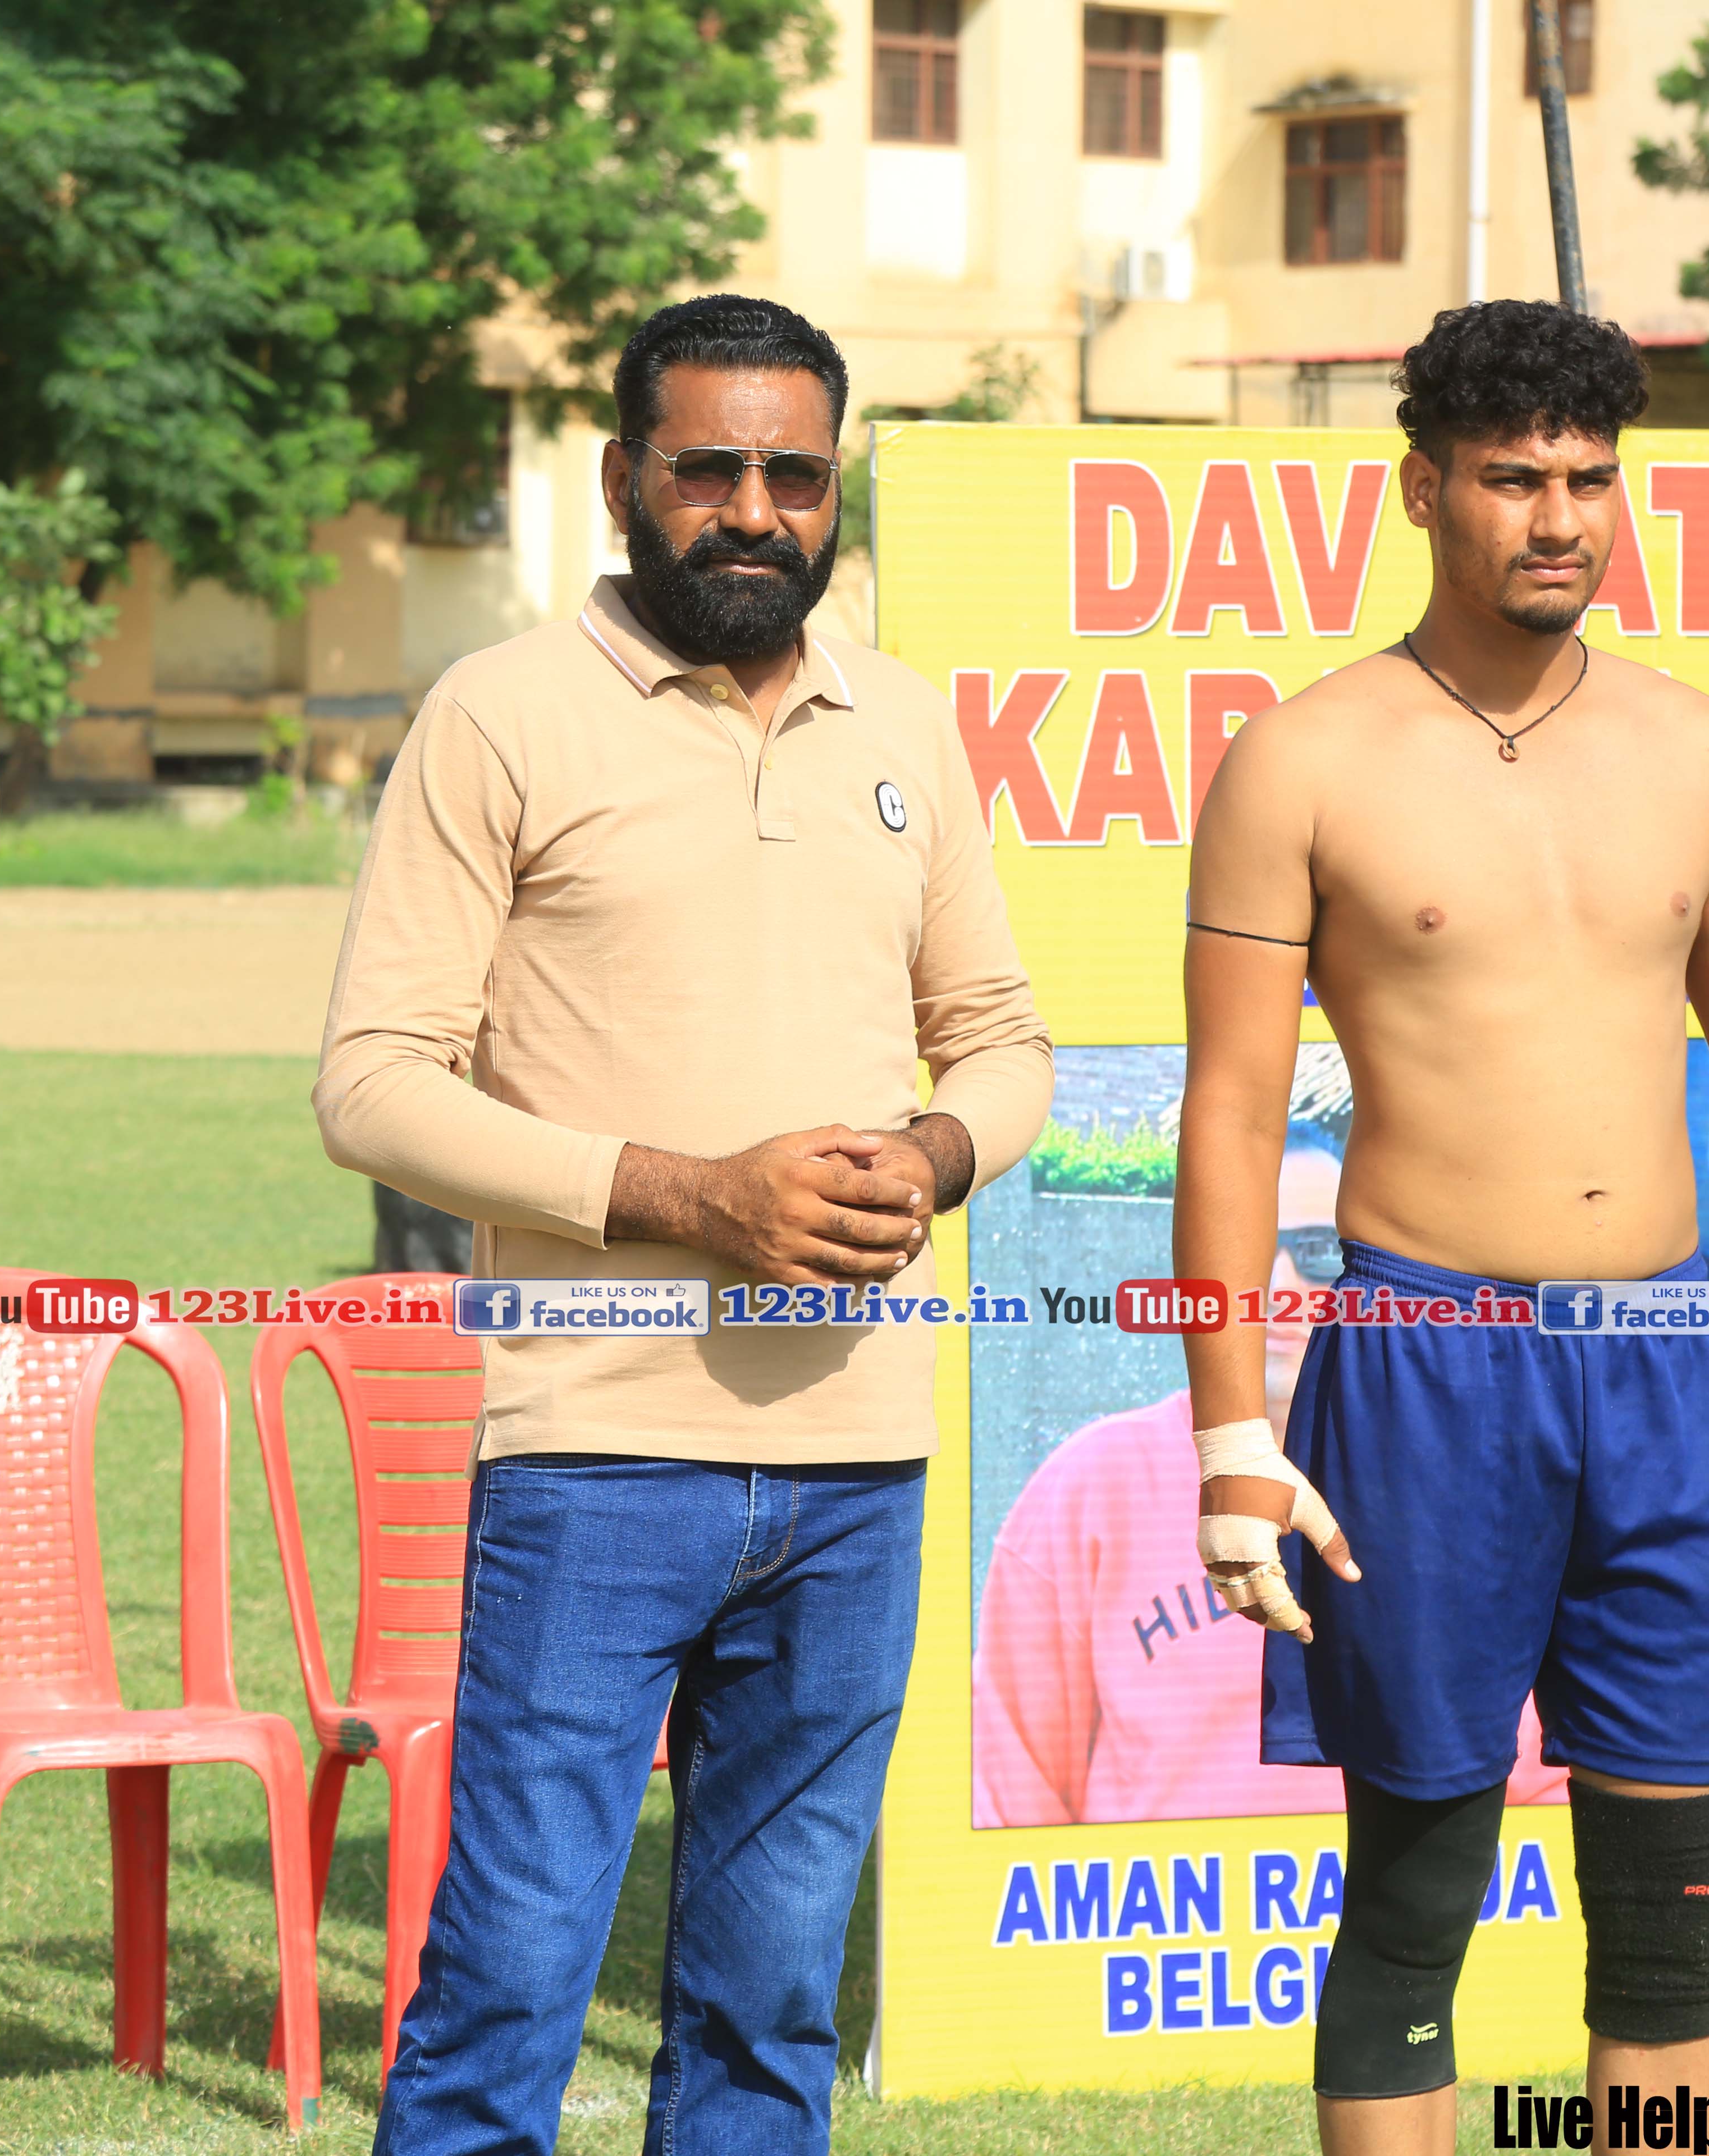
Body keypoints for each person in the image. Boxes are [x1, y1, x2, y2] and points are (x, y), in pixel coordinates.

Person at [1172, 299, 1709, 2156]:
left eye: (1591, 478)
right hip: (1427, 1363)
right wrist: (1230, 1434)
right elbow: (1234, 1112)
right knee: (1413, 1904)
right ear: (1423, 486)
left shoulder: (1698, 752)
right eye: (1514, 478)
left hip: (1665, 1362)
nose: (1560, 517)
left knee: (1679, 1934)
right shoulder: (1304, 759)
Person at [316, 293, 1052, 2156]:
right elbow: (374, 1089)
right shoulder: (501, 716)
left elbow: (1002, 1041)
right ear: (622, 476)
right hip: (595, 1453)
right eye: (707, 469)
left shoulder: (904, 724)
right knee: (508, 1986)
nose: (752, 511)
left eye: (793, 475)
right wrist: (687, 1196)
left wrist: (936, 1156)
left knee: (769, 2009)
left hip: (859, 1465)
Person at [973, 1103, 1569, 1826]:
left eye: (1319, 1252)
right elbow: (1015, 1790)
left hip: (1420, 1891)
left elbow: (1546, 1777)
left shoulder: (1475, 1478)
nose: (1281, 1282)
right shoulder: (1089, 1489)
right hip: (1164, 1898)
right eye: (1249, 1250)